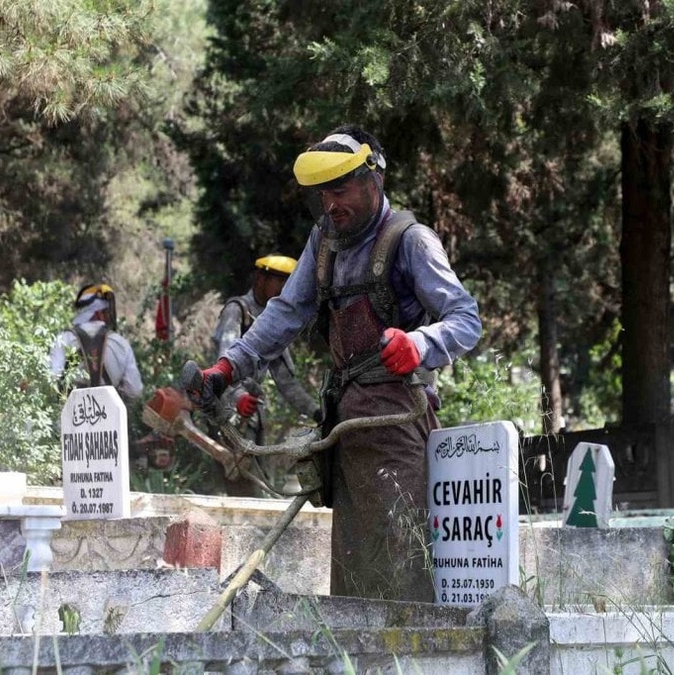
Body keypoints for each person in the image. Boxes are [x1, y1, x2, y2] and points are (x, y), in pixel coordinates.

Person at [189, 125, 481, 602]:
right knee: (352, 571)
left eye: (340, 190)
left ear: (374, 181)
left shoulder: (410, 240)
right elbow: (285, 312)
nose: (330, 205)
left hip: (398, 420)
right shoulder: (324, 241)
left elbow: (466, 319)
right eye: (323, 194)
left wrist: (420, 344)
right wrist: (228, 368)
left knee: (402, 559)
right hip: (345, 425)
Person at [210, 254, 320, 496]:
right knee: (239, 486)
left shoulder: (272, 321)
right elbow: (223, 364)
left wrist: (316, 411)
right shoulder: (237, 311)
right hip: (226, 414)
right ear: (260, 278)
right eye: (280, 282)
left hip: (252, 416)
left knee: (261, 486)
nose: (285, 290)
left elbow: (286, 381)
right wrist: (238, 396)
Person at [49, 283, 144, 401]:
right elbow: (135, 391)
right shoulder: (121, 344)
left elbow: (51, 380)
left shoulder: (64, 339)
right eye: (105, 312)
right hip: (110, 417)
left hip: (70, 416)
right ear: (98, 313)